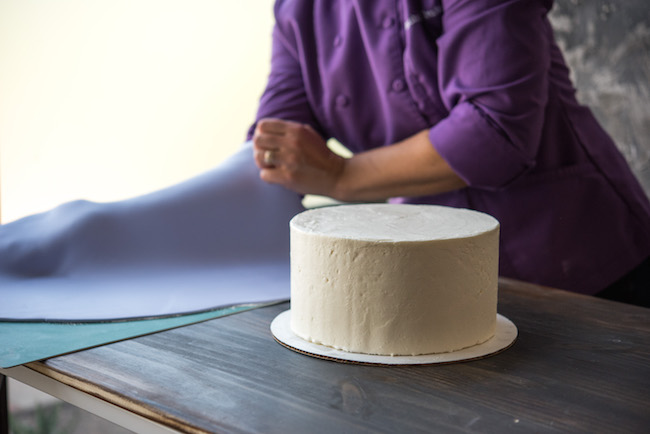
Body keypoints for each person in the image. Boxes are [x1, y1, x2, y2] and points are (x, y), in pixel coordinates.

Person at [249, 0, 650, 306]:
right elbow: (277, 139)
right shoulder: (298, 8)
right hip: (428, 268)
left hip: (576, 256)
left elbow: (494, 131)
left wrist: (342, 176)